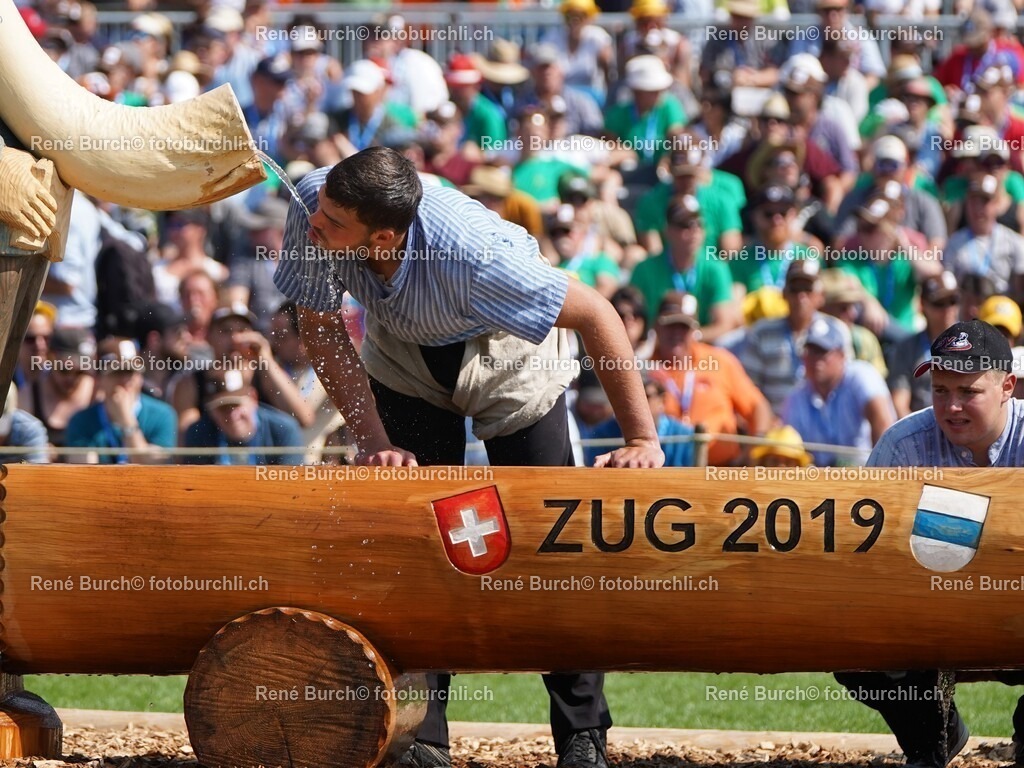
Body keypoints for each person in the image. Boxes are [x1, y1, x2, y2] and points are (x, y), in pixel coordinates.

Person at [273, 147, 664, 768]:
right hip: (402, 354)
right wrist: (374, 440)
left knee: (546, 542)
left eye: (332, 224)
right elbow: (319, 325)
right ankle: (422, 733)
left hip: (505, 351)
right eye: (320, 213)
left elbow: (597, 314)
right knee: (416, 543)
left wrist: (643, 439)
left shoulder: (477, 255)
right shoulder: (316, 204)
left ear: (385, 234)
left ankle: (582, 732)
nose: (314, 224)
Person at [835, 319, 1024, 768]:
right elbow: (860, 554)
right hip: (926, 613)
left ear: (1008, 387)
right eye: (941, 391)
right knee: (847, 639)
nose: (952, 406)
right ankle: (929, 736)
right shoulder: (901, 446)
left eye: (968, 392)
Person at [781, 316, 895, 466]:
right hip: (819, 479)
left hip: (864, 472)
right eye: (810, 351)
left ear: (841, 355)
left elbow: (883, 423)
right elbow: (790, 446)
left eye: (822, 351)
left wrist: (877, 474)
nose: (816, 359)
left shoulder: (861, 375)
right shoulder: (796, 397)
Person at [64, 338, 177, 464]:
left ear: (140, 377)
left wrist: (127, 422)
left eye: (131, 372)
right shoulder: (81, 421)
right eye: (117, 372)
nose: (125, 380)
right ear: (99, 378)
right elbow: (85, 474)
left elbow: (155, 468)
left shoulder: (163, 414)